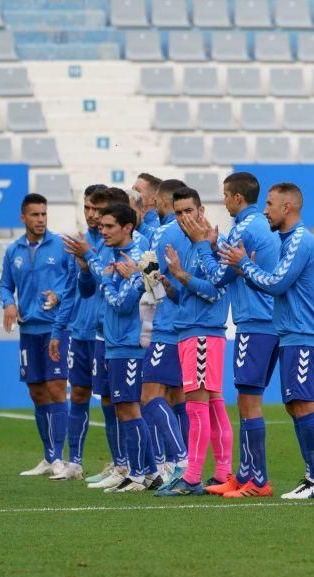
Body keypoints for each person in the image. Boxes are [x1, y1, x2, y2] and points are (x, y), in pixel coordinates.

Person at [219, 183, 314, 500]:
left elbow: (277, 283)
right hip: (291, 334)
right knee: (295, 405)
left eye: (270, 204)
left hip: (305, 334)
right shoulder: (286, 241)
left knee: (305, 404)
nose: (265, 210)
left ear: (287, 208)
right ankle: (312, 479)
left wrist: (244, 264)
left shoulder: (300, 240)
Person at [187, 172, 282, 498]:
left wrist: (202, 246)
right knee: (245, 400)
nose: (224, 201)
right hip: (262, 322)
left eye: (226, 196)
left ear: (237, 198)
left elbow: (216, 278)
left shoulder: (243, 229)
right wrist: (214, 245)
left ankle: (257, 481)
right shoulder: (254, 227)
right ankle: (244, 475)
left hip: (255, 323)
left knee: (248, 402)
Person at [64, 187, 151, 490]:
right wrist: (87, 269)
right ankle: (128, 466)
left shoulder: (137, 247)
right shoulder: (103, 245)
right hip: (106, 335)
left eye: (103, 219)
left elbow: (123, 298)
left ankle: (144, 468)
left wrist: (99, 273)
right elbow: (90, 287)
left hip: (128, 340)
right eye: (95, 219)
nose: (97, 223)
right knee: (112, 401)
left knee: (132, 404)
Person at [155, 187, 233, 497]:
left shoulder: (213, 244)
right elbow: (184, 294)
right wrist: (168, 283)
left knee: (197, 407)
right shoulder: (184, 246)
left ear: (201, 210)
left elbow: (215, 290)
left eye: (189, 210)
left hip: (203, 332)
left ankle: (191, 478)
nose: (184, 217)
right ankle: (222, 472)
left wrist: (180, 275)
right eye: (178, 212)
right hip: (189, 330)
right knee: (212, 405)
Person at [82, 202, 160, 492]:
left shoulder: (141, 256)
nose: (103, 231)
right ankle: (150, 472)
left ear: (127, 227)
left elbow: (122, 302)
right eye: (101, 226)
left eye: (109, 226)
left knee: (129, 409)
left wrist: (106, 280)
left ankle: (137, 474)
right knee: (123, 407)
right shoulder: (115, 255)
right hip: (115, 343)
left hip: (130, 344)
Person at [0, 194, 75, 478]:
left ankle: (59, 458)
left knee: (56, 388)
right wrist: (8, 303)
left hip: (56, 329)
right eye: (35, 215)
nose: (41, 220)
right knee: (36, 392)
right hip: (28, 330)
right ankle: (48, 457)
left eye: (44, 214)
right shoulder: (13, 250)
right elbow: (5, 285)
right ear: (23, 218)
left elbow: (75, 283)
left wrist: (59, 296)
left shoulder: (62, 246)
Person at [48, 184, 107, 480]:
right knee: (79, 394)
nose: (92, 214)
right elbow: (70, 291)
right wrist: (59, 330)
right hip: (79, 333)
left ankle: (121, 462)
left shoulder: (112, 243)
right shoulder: (78, 243)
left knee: (113, 399)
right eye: (87, 208)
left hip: (106, 335)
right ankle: (76, 462)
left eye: (97, 208)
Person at [138, 179, 190, 491]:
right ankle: (179, 462)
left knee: (149, 396)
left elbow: (156, 286)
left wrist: (147, 280)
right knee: (176, 397)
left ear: (162, 200)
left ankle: (178, 461)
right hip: (187, 325)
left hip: (168, 325)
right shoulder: (189, 231)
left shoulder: (163, 233)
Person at [133, 173, 162, 238]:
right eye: (132, 189)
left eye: (137, 191)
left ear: (152, 199)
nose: (132, 193)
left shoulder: (158, 228)